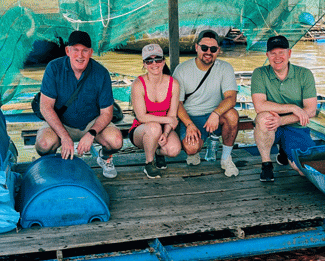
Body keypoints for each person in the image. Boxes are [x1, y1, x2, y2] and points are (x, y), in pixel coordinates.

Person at [35, 30, 123, 178]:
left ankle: (105, 157)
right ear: (68, 51)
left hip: (91, 122)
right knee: (44, 144)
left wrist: (91, 134)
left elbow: (107, 113)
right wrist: (64, 136)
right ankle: (51, 165)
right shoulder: (53, 68)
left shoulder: (101, 73)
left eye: (84, 51)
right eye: (75, 50)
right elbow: (45, 106)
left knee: (116, 140)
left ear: (91, 52)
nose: (80, 55)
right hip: (61, 122)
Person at [173, 30, 240, 177]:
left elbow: (231, 98)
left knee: (232, 115)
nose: (208, 52)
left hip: (215, 115)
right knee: (191, 148)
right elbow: (177, 103)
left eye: (213, 49)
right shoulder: (182, 69)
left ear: (218, 51)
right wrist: (189, 124)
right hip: (192, 117)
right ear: (196, 47)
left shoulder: (225, 67)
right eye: (204, 48)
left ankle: (226, 158)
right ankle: (195, 151)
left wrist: (215, 114)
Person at [251, 34, 318, 183]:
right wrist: (293, 107)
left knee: (303, 170)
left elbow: (311, 110)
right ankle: (266, 164)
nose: (277, 57)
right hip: (271, 125)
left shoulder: (305, 74)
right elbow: (259, 105)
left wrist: (282, 120)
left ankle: (284, 152)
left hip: (294, 125)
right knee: (262, 118)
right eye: (273, 53)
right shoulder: (259, 73)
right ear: (267, 55)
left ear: (289, 53)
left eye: (281, 52)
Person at [128, 44, 182, 178]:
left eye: (157, 59)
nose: (154, 64)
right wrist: (168, 120)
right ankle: (149, 163)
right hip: (141, 130)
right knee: (153, 127)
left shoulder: (173, 84)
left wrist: (166, 132)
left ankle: (158, 153)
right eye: (149, 61)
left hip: (164, 127)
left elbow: (172, 114)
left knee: (174, 150)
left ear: (163, 61)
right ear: (144, 64)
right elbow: (141, 117)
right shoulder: (138, 84)